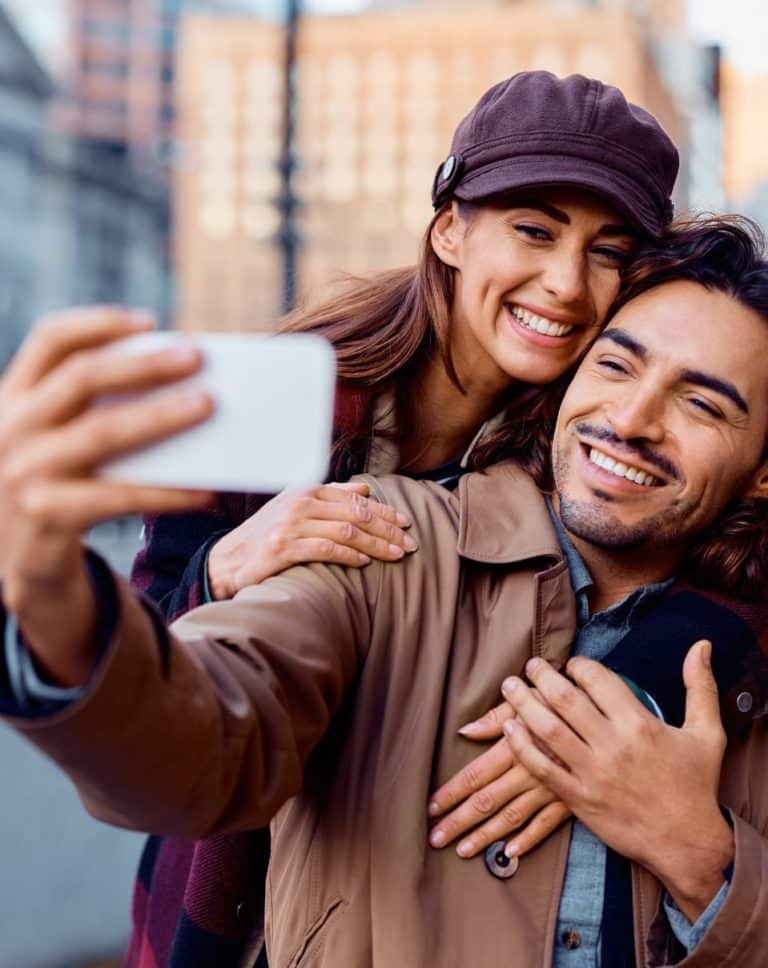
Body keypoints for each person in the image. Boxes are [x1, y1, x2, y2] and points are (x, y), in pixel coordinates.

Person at [2, 217, 768, 968]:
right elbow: (201, 735)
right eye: (615, 366)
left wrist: (701, 853)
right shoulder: (385, 539)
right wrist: (51, 601)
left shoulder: (748, 662)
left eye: (700, 405)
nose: (631, 420)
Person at [126, 70, 679, 965]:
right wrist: (225, 569)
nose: (568, 285)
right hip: (227, 887)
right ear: (451, 229)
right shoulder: (275, 397)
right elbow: (135, 673)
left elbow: (727, 571)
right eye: (533, 231)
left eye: (609, 251)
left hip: (436, 905)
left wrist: (599, 720)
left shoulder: (601, 437)